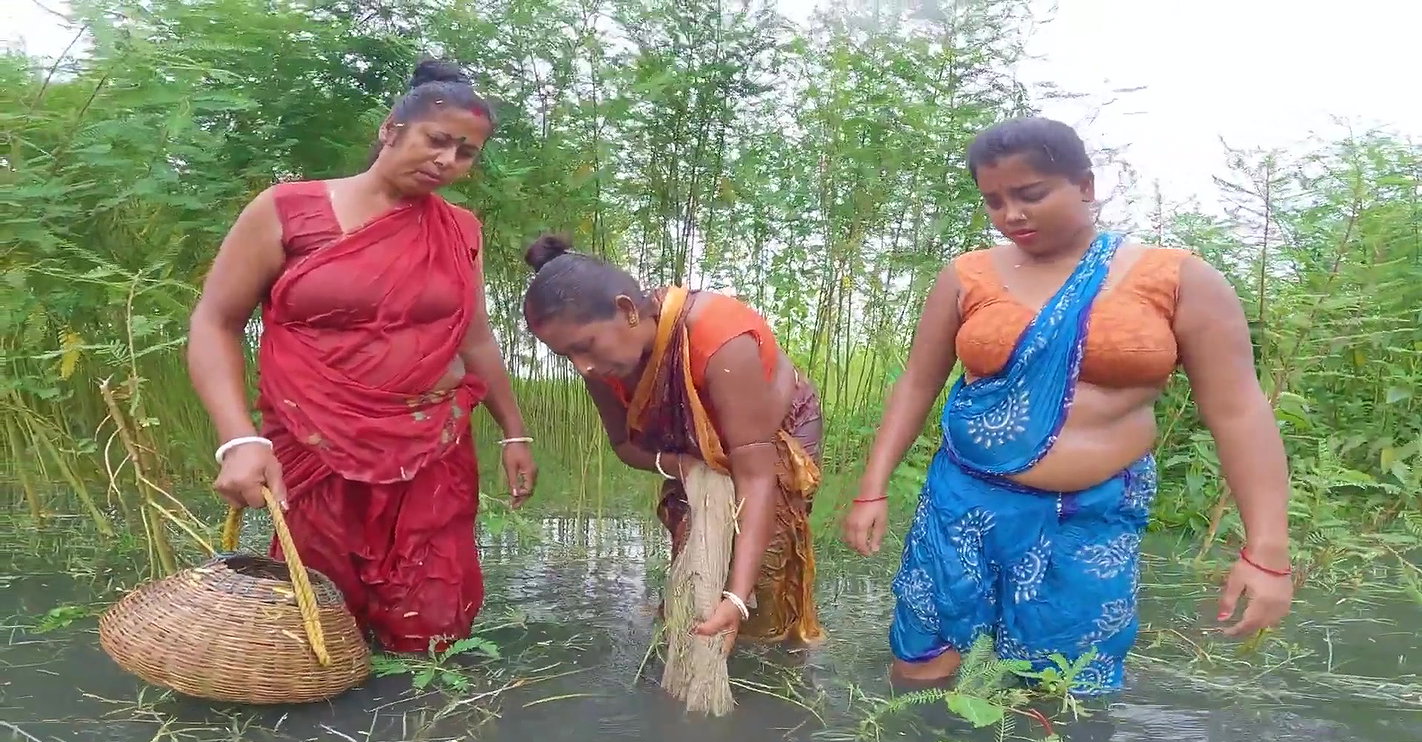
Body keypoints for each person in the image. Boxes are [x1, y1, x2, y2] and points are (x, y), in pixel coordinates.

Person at [842, 116, 1293, 695]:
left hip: (1092, 514)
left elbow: (1239, 412)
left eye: (1030, 194)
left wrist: (1268, 550)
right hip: (963, 501)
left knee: (1062, 688)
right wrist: (872, 487)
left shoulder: (1176, 279)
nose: (1012, 214)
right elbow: (916, 385)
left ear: (1084, 185)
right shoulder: (966, 276)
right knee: (925, 664)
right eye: (994, 201)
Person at [186, 59, 538, 654]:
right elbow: (216, 322)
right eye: (436, 141)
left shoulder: (460, 229)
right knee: (319, 616)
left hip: (433, 444)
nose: (448, 161)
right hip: (315, 444)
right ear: (389, 129)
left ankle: (431, 733)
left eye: (466, 152)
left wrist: (514, 432)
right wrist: (238, 439)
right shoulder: (288, 210)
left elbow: (473, 337)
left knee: (433, 621)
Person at [520, 234, 824, 650]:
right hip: (693, 452)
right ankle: (698, 644)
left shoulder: (719, 340)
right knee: (694, 556)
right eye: (566, 356)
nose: (582, 366)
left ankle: (772, 665)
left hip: (774, 433)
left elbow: (756, 478)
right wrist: (686, 469)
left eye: (584, 347)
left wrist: (736, 597)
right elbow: (626, 447)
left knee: (768, 566)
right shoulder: (602, 366)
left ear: (627, 311)